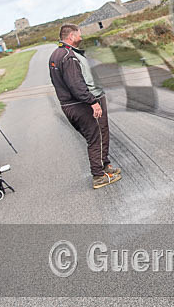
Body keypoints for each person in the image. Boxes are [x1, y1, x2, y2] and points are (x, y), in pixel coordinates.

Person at [49, 24, 122, 189]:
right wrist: (92, 101)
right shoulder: (68, 56)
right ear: (72, 36)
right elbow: (76, 84)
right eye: (79, 35)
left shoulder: (57, 54)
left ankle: (104, 166)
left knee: (100, 134)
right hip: (81, 104)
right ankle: (98, 175)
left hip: (71, 104)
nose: (81, 38)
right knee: (96, 137)